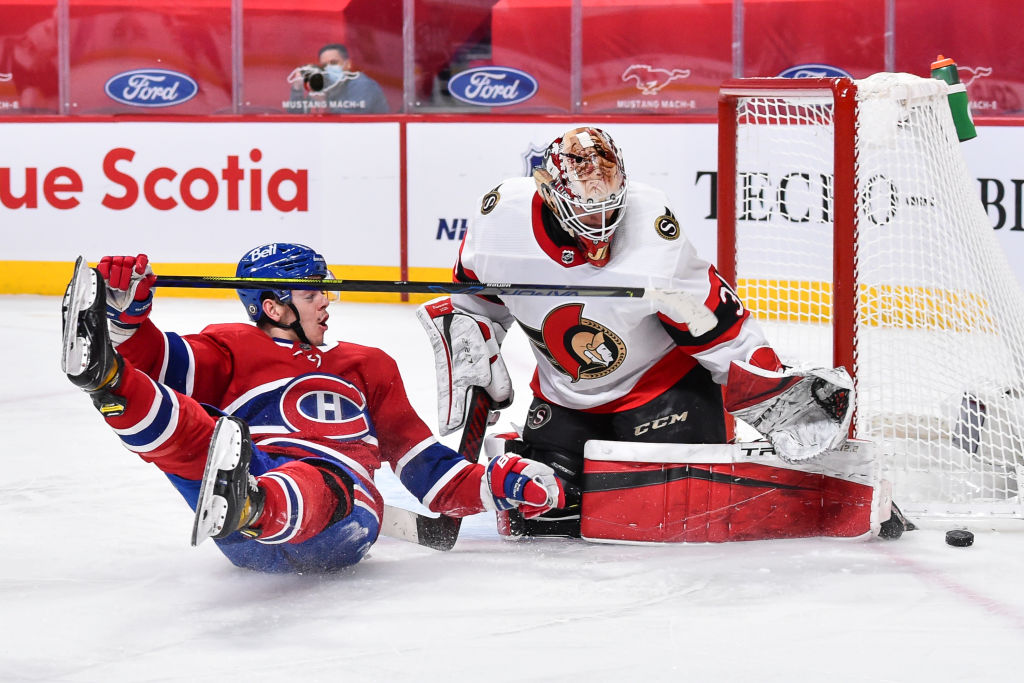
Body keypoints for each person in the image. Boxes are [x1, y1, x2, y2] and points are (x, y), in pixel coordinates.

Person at [418, 126, 911, 540]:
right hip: (566, 398)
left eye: (612, 206)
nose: (603, 223)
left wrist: (767, 389)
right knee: (543, 516)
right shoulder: (498, 222)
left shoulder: (651, 234)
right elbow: (475, 300)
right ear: (549, 194)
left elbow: (711, 323)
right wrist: (470, 337)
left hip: (664, 392)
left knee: (674, 519)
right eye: (589, 212)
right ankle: (515, 455)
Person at [60, 244, 564, 573]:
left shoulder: (367, 366)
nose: (327, 301)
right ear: (274, 307)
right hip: (244, 504)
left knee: (311, 476)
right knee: (195, 432)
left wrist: (495, 485)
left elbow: (427, 471)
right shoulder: (229, 347)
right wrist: (127, 319)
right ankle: (103, 376)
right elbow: (159, 360)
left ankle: (254, 501)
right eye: (311, 293)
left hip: (341, 516)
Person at [286, 43, 389, 114]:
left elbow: (353, 120)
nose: (329, 68)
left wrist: (324, 104)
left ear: (348, 64)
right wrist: (297, 89)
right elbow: (295, 118)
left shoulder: (363, 85)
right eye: (324, 65)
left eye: (334, 63)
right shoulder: (325, 84)